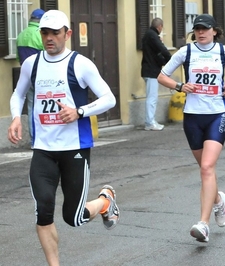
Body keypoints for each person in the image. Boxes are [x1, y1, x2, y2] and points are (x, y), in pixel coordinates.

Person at [8, 10, 120, 265]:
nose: (49, 38)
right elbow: (18, 94)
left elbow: (108, 98)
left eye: (55, 33)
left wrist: (79, 111)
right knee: (43, 210)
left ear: (67, 34)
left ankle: (105, 201)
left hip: (74, 149)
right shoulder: (32, 64)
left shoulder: (79, 64)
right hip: (43, 149)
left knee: (74, 217)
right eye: (45, 33)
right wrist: (16, 116)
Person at [157, 14, 225, 242]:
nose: (201, 33)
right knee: (206, 170)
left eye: (205, 29)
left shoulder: (224, 52)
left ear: (214, 31)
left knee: (206, 167)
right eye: (197, 29)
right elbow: (161, 76)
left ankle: (203, 224)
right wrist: (180, 86)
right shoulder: (186, 52)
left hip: (217, 114)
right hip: (193, 116)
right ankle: (219, 202)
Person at [16, 8, 45, 142]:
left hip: (27, 76)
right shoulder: (41, 34)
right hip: (43, 75)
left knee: (31, 107)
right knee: (46, 106)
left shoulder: (21, 34)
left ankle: (34, 139)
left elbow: (18, 57)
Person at [141, 18, 172, 131]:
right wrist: (171, 60)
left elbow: (156, 52)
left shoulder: (148, 35)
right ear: (160, 27)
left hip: (149, 69)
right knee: (152, 98)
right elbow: (161, 49)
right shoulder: (152, 35)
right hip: (151, 71)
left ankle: (150, 121)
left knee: (152, 97)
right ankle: (150, 122)